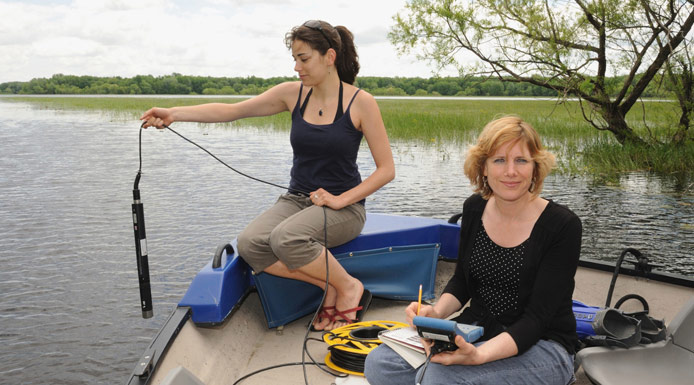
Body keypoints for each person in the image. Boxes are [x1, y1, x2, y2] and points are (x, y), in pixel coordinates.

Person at [141, 20, 395, 331]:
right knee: (250, 244)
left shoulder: (360, 102)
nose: (296, 67)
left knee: (285, 238)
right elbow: (234, 110)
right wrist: (175, 114)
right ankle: (329, 285)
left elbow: (386, 170)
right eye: (294, 59)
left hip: (344, 209)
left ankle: (349, 286)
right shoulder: (293, 94)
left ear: (329, 57)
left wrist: (341, 200)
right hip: (296, 200)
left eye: (303, 59)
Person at [364, 116, 581, 385]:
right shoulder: (475, 208)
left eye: (521, 160)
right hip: (476, 329)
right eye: (499, 160)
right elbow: (463, 281)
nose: (510, 171)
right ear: (484, 168)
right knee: (380, 364)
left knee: (438, 378)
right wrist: (436, 314)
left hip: (543, 345)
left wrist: (478, 356)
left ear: (535, 168)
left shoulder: (562, 225)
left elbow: (536, 319)